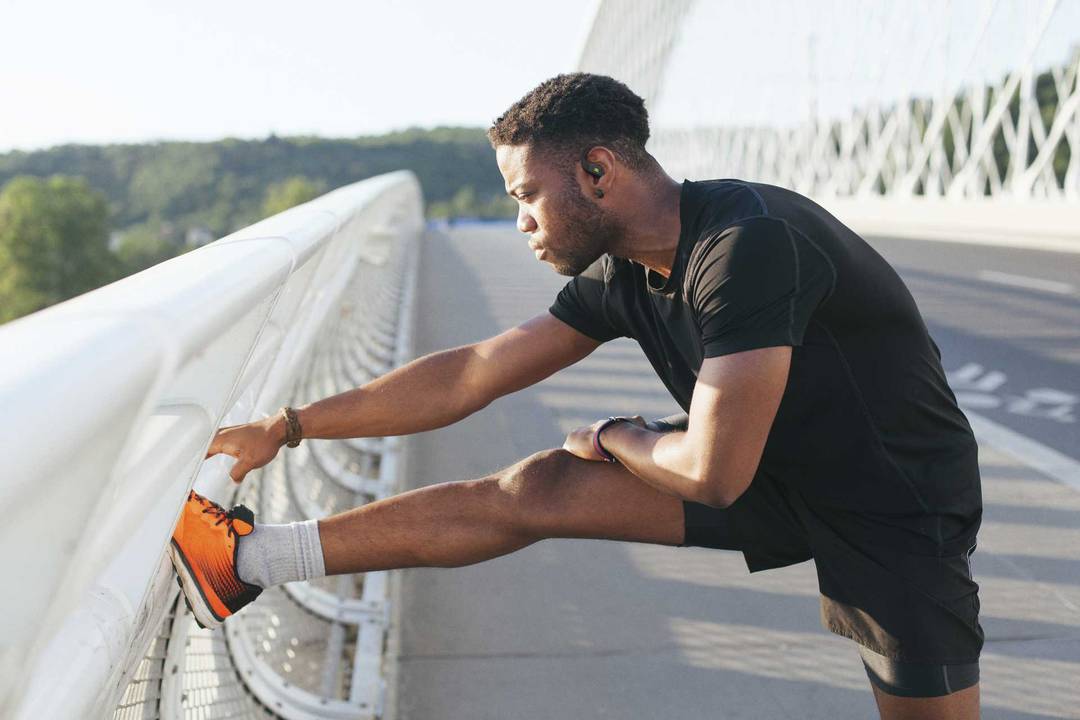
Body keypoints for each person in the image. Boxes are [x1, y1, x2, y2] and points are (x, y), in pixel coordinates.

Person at [170, 73, 983, 719]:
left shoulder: (746, 246)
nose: (521, 222)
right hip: (765, 463)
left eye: (526, 196)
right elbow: (474, 370)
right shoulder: (624, 270)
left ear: (597, 172)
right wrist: (288, 426)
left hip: (891, 501)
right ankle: (244, 561)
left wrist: (615, 433)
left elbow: (712, 474)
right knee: (539, 487)